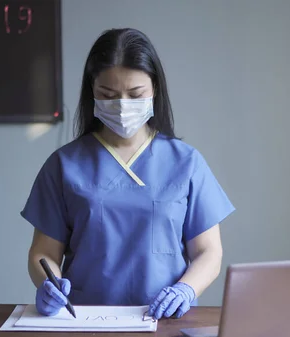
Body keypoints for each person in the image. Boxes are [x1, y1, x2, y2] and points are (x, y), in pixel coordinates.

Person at [21, 27, 235, 320]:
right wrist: (49, 283)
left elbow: (208, 253)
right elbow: (43, 252)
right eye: (108, 95)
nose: (122, 106)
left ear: (155, 89)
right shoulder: (64, 165)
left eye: (135, 94)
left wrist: (185, 290)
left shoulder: (186, 163)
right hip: (85, 320)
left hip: (165, 322)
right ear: (92, 93)